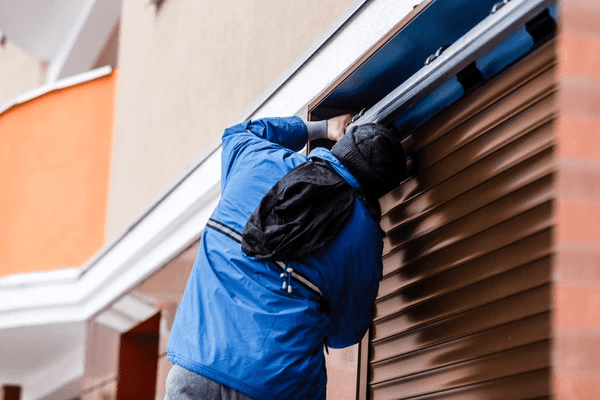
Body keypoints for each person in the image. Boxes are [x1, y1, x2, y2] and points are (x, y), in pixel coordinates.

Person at [165, 114, 406, 400]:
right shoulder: (364, 237)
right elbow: (346, 334)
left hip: (196, 367)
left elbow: (237, 132)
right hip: (277, 387)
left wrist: (322, 128)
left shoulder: (256, 161)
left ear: (341, 146)